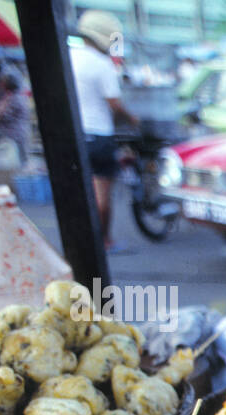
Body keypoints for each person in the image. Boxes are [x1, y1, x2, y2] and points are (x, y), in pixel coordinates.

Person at [70, 10, 139, 249]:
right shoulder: (102, 65)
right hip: (99, 135)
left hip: (75, 134)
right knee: (102, 194)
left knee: (80, 190)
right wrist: (132, 119)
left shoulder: (69, 57)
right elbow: (115, 104)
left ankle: (81, 240)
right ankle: (105, 241)